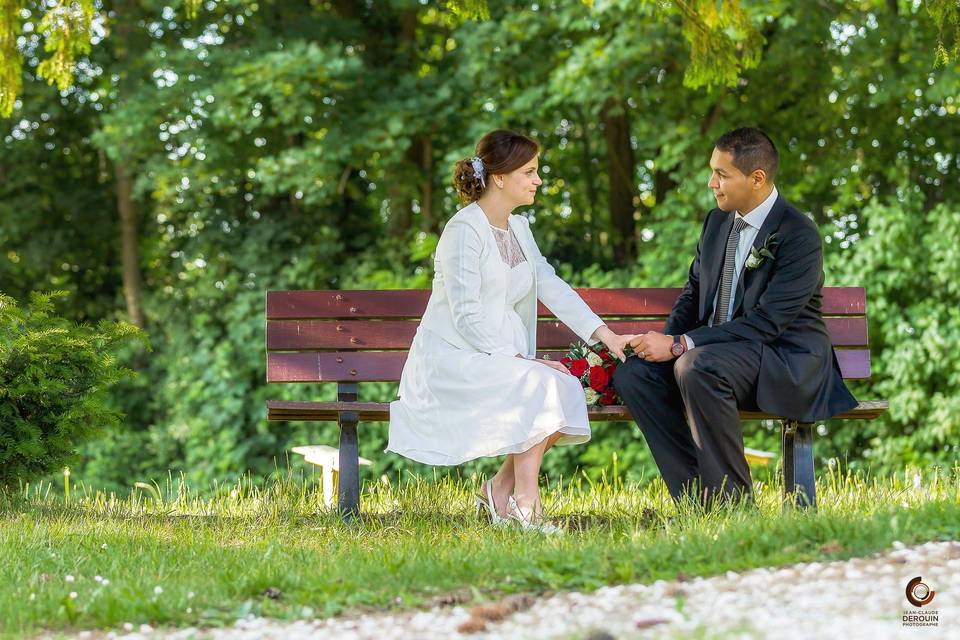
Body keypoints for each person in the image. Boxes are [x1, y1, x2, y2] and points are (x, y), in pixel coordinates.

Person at [387, 129, 633, 531]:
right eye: (530, 171)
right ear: (499, 177)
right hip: (453, 358)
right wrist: (520, 360)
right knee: (540, 383)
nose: (538, 180)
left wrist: (605, 334)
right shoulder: (463, 230)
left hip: (500, 357)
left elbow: (550, 285)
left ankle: (499, 490)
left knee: (564, 385)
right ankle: (526, 503)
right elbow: (466, 315)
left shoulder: (519, 229)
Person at [613, 127, 857, 507]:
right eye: (713, 172)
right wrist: (664, 343)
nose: (712, 183)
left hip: (780, 359)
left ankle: (733, 504)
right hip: (714, 356)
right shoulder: (716, 224)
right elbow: (693, 296)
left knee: (696, 365)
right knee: (635, 373)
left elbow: (768, 323)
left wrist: (680, 344)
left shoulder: (798, 234)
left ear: (756, 179)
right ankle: (697, 498)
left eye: (721, 174)